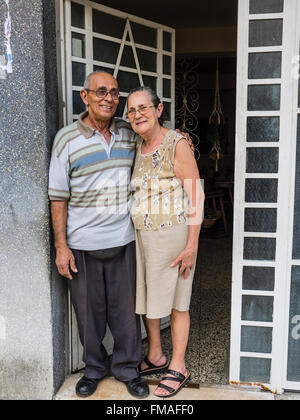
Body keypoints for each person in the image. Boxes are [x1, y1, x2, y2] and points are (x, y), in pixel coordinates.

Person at [48, 71, 149, 399]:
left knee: (126, 315)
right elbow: (58, 197)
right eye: (101, 92)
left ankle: (127, 369)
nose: (109, 98)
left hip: (123, 242)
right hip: (82, 246)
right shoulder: (66, 139)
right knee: (89, 315)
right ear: (84, 96)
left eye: (114, 93)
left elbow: (156, 145)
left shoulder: (127, 133)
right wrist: (61, 246)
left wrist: (181, 143)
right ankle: (93, 368)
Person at [127, 86, 205, 398]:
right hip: (144, 239)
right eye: (132, 110)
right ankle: (156, 356)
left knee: (177, 303)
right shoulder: (137, 144)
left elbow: (196, 195)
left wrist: (192, 245)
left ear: (159, 110)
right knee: (149, 301)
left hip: (175, 238)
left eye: (144, 107)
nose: (137, 115)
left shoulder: (176, 144)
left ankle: (178, 366)